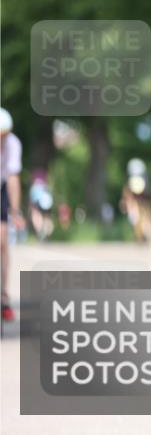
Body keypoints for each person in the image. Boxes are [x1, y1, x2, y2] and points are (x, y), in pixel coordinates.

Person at [1, 108, 23, 322]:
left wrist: (15, 211)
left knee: (3, 240)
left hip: (2, 189)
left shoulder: (13, 144)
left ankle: (4, 295)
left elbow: (13, 180)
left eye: (5, 135)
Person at [120, 158, 151, 243]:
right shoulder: (130, 184)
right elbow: (127, 196)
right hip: (135, 205)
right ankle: (140, 236)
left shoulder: (144, 182)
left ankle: (144, 236)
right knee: (136, 220)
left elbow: (148, 197)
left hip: (143, 205)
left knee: (145, 220)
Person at [28, 169, 55, 241]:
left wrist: (31, 208)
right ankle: (47, 232)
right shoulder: (46, 186)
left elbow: (32, 200)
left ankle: (40, 231)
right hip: (48, 203)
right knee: (47, 218)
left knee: (36, 215)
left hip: (38, 203)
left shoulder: (34, 187)